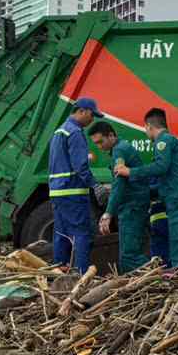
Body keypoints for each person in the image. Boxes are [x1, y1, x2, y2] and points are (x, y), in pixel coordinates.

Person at [114, 109, 178, 268]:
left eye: (145, 129)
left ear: (149, 126)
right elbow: (167, 179)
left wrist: (130, 172)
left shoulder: (164, 141)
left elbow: (161, 167)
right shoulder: (170, 141)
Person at [47, 98, 100, 270]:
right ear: (82, 111)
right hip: (73, 191)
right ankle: (81, 275)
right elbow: (80, 166)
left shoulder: (60, 131)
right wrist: (95, 185)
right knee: (81, 234)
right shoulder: (75, 132)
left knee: (61, 235)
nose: (92, 119)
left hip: (57, 192)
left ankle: (59, 273)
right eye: (92, 115)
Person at [89, 122, 150, 273]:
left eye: (101, 142)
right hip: (135, 205)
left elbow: (119, 184)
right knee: (133, 253)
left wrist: (108, 213)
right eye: (96, 143)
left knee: (129, 257)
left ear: (111, 135)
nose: (99, 147)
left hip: (132, 207)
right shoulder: (121, 147)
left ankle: (158, 275)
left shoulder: (119, 151)